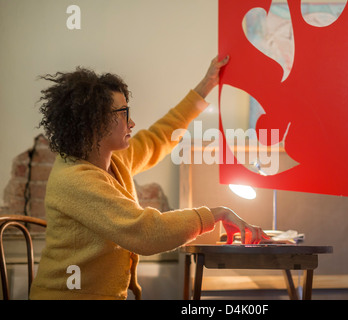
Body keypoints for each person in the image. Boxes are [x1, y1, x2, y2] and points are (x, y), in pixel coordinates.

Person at [30, 56, 268, 300]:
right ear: (94, 123)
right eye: (123, 114)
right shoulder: (75, 180)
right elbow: (145, 233)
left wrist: (205, 86)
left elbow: (160, 137)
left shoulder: (111, 158)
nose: (131, 122)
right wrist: (216, 214)